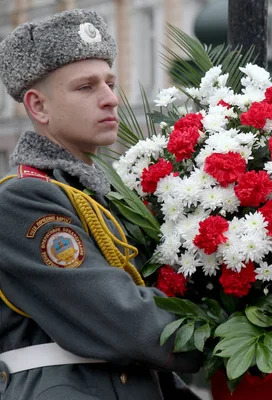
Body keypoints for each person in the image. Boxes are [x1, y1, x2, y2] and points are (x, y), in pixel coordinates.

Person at [0, 9, 202, 400]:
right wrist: (241, 333)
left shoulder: (99, 197)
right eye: (86, 87)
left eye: (109, 82)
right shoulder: (24, 199)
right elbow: (125, 322)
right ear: (38, 107)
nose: (111, 99)